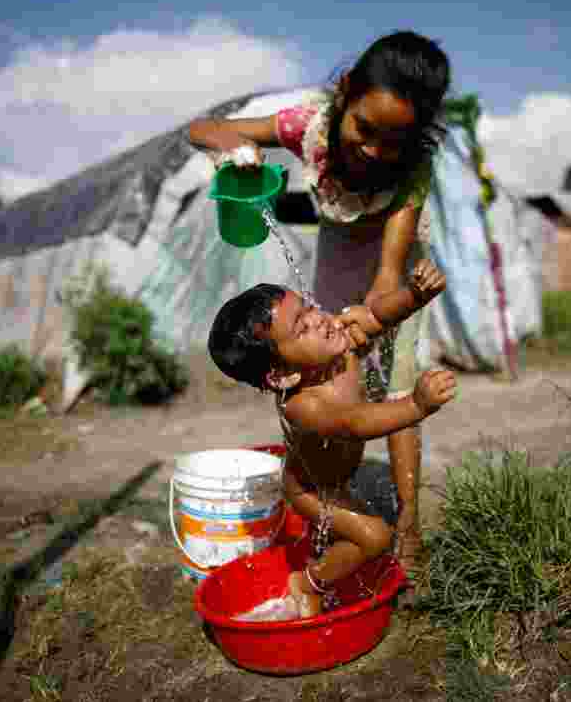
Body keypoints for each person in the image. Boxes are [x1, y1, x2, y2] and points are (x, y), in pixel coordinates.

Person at [189, 30, 451, 584]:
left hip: (392, 262)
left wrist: (396, 305)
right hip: (338, 248)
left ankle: (407, 524)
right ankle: (340, 503)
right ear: (347, 92)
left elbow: (385, 278)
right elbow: (200, 128)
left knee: (396, 377)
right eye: (365, 128)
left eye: (394, 139)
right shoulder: (307, 125)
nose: (375, 149)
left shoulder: (413, 169)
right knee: (332, 377)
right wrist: (234, 146)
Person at [208, 259, 456, 617]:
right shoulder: (302, 405)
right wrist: (416, 405)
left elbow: (374, 316)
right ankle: (308, 582)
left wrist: (415, 295)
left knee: (360, 540)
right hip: (312, 491)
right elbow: (355, 422)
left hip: (339, 476)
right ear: (281, 374)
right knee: (375, 537)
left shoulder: (334, 340)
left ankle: (328, 562)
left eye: (307, 307)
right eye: (300, 327)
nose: (318, 318)